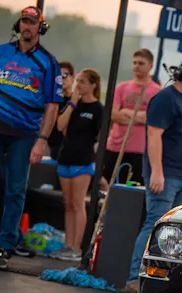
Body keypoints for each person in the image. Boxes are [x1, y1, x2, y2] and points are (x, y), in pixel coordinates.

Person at [0, 6, 62, 269]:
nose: (27, 26)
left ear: (40, 28)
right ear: (18, 25)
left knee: (15, 192)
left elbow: (52, 106)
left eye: (32, 22)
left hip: (24, 136)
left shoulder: (48, 62)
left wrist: (42, 140)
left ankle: (4, 247)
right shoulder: (0, 53)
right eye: (24, 21)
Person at [125, 57, 182, 293]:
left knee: (170, 230)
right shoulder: (165, 99)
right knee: (155, 224)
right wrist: (157, 172)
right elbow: (154, 135)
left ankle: (156, 276)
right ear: (180, 75)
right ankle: (134, 277)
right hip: (167, 175)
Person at [50, 69, 103, 262]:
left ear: (93, 85)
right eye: (77, 81)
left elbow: (101, 136)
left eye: (82, 82)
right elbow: (60, 125)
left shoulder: (97, 108)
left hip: (83, 161)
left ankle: (77, 247)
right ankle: (68, 244)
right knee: (68, 204)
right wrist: (72, 103)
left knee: (78, 203)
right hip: (66, 158)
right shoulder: (72, 104)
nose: (78, 85)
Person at [102, 49, 161, 187]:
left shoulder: (157, 91)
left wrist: (125, 112)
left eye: (141, 63)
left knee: (133, 189)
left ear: (150, 66)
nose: (137, 66)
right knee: (109, 185)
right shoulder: (121, 87)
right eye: (134, 63)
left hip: (140, 150)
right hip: (116, 147)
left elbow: (152, 119)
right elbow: (113, 114)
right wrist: (139, 116)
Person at [47, 61, 75, 160]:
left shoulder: (78, 100)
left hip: (75, 146)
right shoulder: (52, 100)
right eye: (58, 77)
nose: (61, 80)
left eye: (64, 76)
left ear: (73, 77)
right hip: (56, 145)